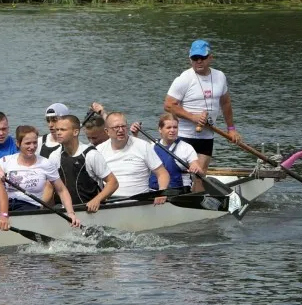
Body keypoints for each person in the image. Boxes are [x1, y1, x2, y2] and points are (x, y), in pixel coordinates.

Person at [163, 39, 241, 192]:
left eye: (202, 58)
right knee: (184, 173)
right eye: (195, 58)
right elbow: (169, 105)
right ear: (190, 59)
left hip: (207, 135)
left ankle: (196, 203)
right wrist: (193, 117)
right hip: (185, 135)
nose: (198, 61)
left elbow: (225, 103)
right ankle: (177, 199)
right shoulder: (184, 79)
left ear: (210, 57)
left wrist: (231, 129)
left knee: (200, 173)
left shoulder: (220, 76)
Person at [0, 126, 81, 227]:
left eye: (35, 143)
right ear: (18, 143)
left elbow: (62, 190)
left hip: (31, 206)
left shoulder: (46, 163)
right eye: (27, 143)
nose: (32, 147)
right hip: (6, 205)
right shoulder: (5, 161)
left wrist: (71, 214)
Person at [47, 115, 118, 213]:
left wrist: (97, 200)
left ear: (75, 132)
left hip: (90, 210)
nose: (58, 133)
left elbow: (113, 183)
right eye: (57, 129)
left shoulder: (91, 155)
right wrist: (43, 210)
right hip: (65, 211)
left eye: (63, 130)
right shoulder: (54, 156)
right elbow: (49, 187)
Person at [97, 112, 169, 205]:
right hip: (109, 203)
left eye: (123, 126)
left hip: (139, 202)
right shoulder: (98, 150)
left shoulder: (143, 146)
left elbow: (162, 174)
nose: (121, 130)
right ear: (107, 131)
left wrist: (162, 192)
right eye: (116, 127)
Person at [130, 114, 202, 193]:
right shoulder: (152, 146)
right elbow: (134, 150)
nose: (172, 130)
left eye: (175, 127)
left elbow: (198, 169)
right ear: (160, 129)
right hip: (153, 192)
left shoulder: (186, 148)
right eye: (168, 127)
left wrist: (195, 167)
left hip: (179, 193)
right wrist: (135, 134)